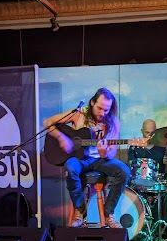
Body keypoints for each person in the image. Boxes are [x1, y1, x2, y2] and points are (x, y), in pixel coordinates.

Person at [44, 88, 129, 228]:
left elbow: (112, 152)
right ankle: (79, 210)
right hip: (79, 159)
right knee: (70, 167)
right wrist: (61, 138)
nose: (102, 113)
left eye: (106, 110)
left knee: (124, 171)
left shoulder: (113, 122)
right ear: (92, 103)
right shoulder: (79, 114)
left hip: (100, 160)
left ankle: (108, 213)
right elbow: (48, 122)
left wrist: (104, 153)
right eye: (99, 108)